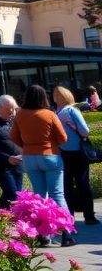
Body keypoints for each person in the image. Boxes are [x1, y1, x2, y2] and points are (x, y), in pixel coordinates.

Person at [10, 85, 72, 246]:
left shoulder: (20, 115)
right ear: (44, 97)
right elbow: (63, 138)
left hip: (30, 158)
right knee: (57, 195)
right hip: (50, 156)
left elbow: (13, 137)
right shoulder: (49, 114)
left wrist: (27, 146)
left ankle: (43, 236)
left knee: (38, 197)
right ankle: (67, 234)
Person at [55, 86, 98, 225]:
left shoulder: (63, 111)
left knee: (73, 184)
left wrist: (70, 130)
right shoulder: (65, 111)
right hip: (72, 152)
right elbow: (84, 131)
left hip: (69, 152)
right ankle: (83, 216)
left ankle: (77, 216)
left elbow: (84, 131)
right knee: (78, 184)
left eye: (57, 94)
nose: (55, 97)